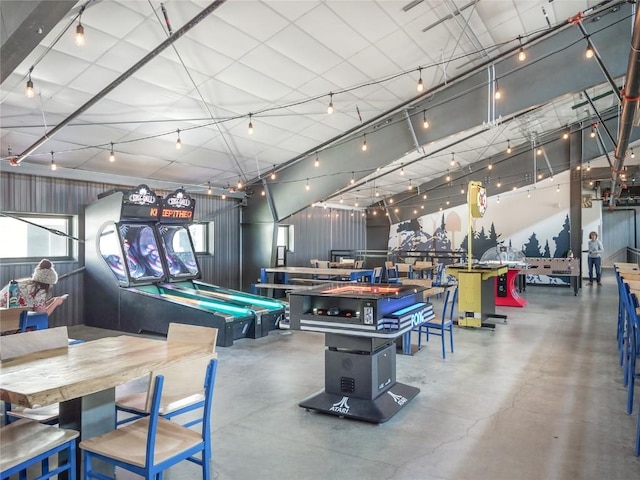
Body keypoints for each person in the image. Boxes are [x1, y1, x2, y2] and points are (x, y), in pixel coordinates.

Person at [0, 259, 66, 314]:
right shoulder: (40, 290)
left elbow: (37, 306)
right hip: (8, 316)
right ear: (47, 283)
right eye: (51, 284)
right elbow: (41, 315)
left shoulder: (27, 283)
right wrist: (55, 303)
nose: (51, 286)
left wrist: (51, 301)